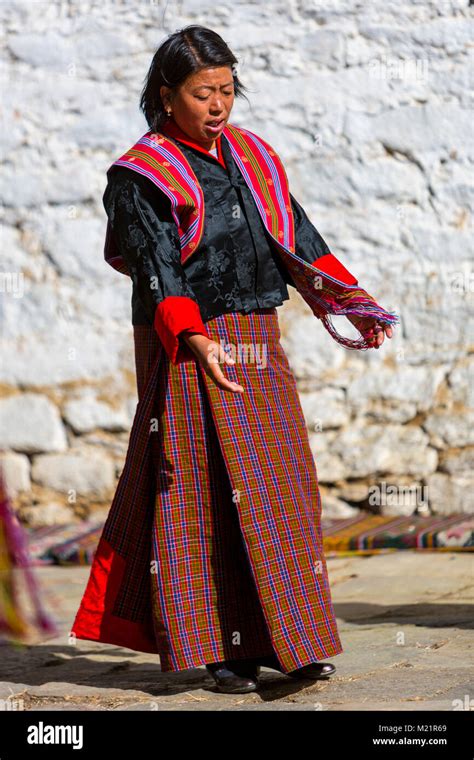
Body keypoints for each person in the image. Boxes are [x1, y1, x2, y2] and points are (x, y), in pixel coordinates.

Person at [71, 25, 397, 695]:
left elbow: (295, 233)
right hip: (190, 344)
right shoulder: (141, 174)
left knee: (279, 489)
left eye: (226, 90)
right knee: (206, 491)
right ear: (168, 97)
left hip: (257, 338)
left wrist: (349, 299)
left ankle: (295, 644)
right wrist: (192, 338)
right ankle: (226, 651)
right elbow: (155, 268)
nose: (218, 105)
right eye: (202, 93)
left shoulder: (252, 155)